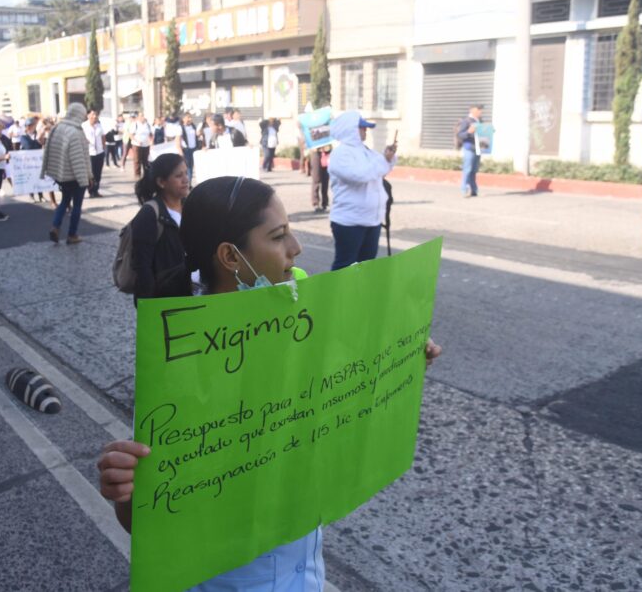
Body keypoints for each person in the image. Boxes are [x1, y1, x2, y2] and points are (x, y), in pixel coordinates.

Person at [97, 176, 442, 590]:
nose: (295, 248)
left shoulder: (302, 329)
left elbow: (343, 418)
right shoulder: (181, 372)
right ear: (230, 256)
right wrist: (125, 491)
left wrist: (400, 369)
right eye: (279, 237)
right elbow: (149, 522)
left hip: (305, 576)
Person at [327, 112, 396, 271]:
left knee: (366, 268)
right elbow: (359, 175)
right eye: (362, 128)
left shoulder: (365, 151)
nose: (365, 131)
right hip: (349, 221)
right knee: (344, 268)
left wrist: (388, 158)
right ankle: (337, 295)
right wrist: (383, 160)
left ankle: (359, 295)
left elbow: (379, 170)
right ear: (351, 129)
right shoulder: (340, 154)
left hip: (372, 220)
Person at [131, 153, 191, 305]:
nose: (186, 180)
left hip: (192, 293)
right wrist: (149, 309)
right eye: (178, 176)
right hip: (166, 299)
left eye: (186, 172)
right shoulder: (149, 215)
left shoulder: (191, 206)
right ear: (161, 182)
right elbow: (143, 267)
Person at [41, 103, 93, 245]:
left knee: (64, 201)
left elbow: (48, 152)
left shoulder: (57, 128)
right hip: (75, 176)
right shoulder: (76, 132)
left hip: (61, 176)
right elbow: (79, 160)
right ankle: (72, 235)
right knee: (76, 205)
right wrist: (87, 178)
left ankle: (55, 226)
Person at [456, 105, 488, 198]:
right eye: (479, 110)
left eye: (481, 110)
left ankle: (474, 190)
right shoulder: (466, 121)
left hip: (479, 148)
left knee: (474, 170)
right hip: (469, 148)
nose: (481, 112)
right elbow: (460, 134)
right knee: (467, 169)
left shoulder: (480, 121)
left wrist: (489, 131)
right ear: (472, 110)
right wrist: (469, 132)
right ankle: (464, 190)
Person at [84, 109, 107, 198]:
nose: (95, 116)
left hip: (99, 152)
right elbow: (80, 137)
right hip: (89, 153)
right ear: (88, 115)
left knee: (98, 173)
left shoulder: (99, 125)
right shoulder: (84, 126)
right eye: (93, 114)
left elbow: (103, 136)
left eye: (96, 114)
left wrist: (103, 147)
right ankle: (91, 190)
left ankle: (96, 190)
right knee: (91, 173)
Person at [132, 113, 152, 178]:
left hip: (146, 144)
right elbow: (131, 134)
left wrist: (151, 141)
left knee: (146, 160)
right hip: (137, 144)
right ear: (138, 117)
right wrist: (136, 141)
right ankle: (137, 174)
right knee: (137, 159)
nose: (142, 117)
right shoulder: (135, 124)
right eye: (141, 116)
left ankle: (146, 174)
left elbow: (150, 134)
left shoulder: (147, 124)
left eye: (143, 116)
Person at [180, 112, 198, 182]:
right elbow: (178, 140)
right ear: (183, 119)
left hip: (194, 148)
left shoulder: (193, 126)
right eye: (188, 117)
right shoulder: (181, 127)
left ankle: (189, 181)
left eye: (190, 117)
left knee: (192, 165)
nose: (190, 119)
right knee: (188, 167)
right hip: (186, 150)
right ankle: (188, 183)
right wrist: (181, 151)